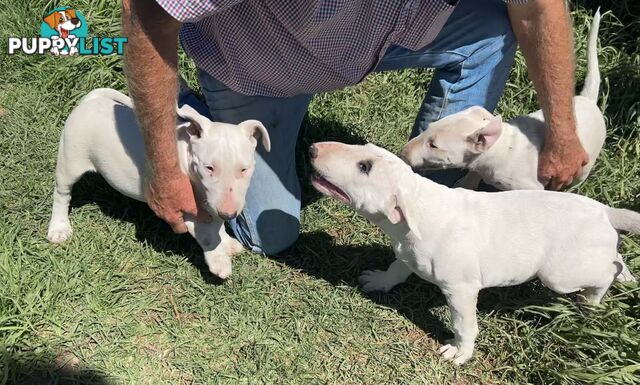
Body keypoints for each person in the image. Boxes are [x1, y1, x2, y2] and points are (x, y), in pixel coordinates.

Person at [121, 0, 589, 255]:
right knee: (269, 236)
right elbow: (147, 13)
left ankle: (431, 194)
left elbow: (536, 7)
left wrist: (563, 131)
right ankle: (187, 112)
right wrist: (164, 163)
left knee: (491, 28)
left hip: (376, 39)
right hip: (257, 69)